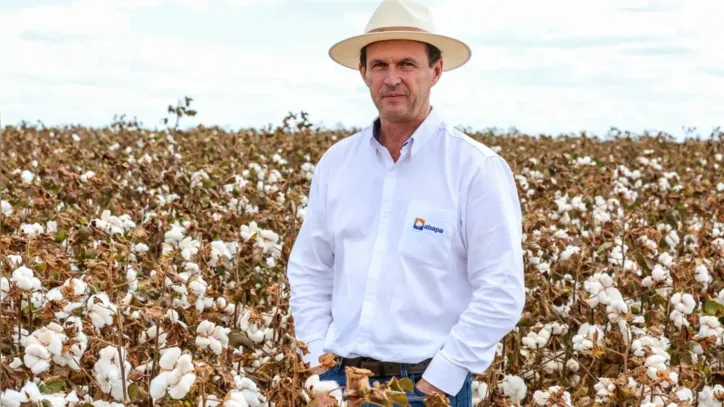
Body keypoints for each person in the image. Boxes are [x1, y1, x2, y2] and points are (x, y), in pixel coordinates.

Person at [286, 0, 526, 405]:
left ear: (435, 71)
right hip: (339, 383)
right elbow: (310, 270)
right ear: (363, 73)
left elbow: (502, 289)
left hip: (426, 386)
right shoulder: (337, 163)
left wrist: (440, 379)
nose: (392, 78)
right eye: (379, 65)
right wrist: (317, 364)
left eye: (407, 65)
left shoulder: (475, 168)